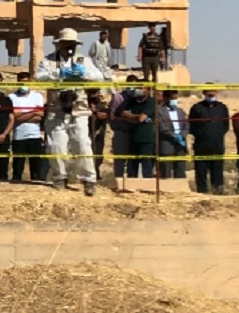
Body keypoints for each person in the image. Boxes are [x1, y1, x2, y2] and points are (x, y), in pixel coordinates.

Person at [34, 28, 106, 194]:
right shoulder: (48, 61)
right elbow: (39, 76)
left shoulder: (84, 61)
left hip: (79, 108)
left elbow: (99, 76)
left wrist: (84, 73)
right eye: (66, 44)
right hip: (57, 109)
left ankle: (89, 180)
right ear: (59, 44)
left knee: (82, 144)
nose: (69, 47)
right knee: (56, 146)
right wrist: (59, 73)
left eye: (72, 44)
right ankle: (59, 177)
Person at [188, 85, 230, 194]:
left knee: (217, 174)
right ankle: (202, 194)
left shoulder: (222, 108)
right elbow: (191, 125)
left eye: (213, 92)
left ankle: (218, 194)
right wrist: (202, 134)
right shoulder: (197, 107)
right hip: (201, 147)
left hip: (217, 147)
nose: (211, 95)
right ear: (204, 93)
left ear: (216, 92)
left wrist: (216, 133)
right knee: (201, 174)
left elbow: (225, 126)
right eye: (208, 93)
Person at [9, 73, 46, 183]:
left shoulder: (37, 96)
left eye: (26, 82)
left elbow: (40, 116)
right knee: (18, 166)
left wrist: (23, 115)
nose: (24, 84)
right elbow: (15, 117)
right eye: (21, 82)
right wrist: (33, 112)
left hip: (34, 135)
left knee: (35, 166)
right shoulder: (12, 97)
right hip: (18, 136)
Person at [116, 81, 157, 179]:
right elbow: (120, 112)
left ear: (148, 90)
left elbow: (141, 118)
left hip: (146, 138)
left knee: (146, 164)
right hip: (133, 136)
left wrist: (130, 117)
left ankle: (148, 188)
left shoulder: (151, 101)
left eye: (142, 88)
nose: (139, 90)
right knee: (132, 165)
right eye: (138, 88)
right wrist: (135, 117)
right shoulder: (132, 101)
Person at [156, 89, 190, 180]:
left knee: (180, 171)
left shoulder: (180, 111)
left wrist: (182, 135)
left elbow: (186, 124)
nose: (174, 100)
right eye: (172, 98)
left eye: (176, 98)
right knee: (165, 172)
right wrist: (174, 136)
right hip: (167, 144)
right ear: (166, 98)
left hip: (180, 146)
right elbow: (161, 127)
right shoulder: (159, 111)